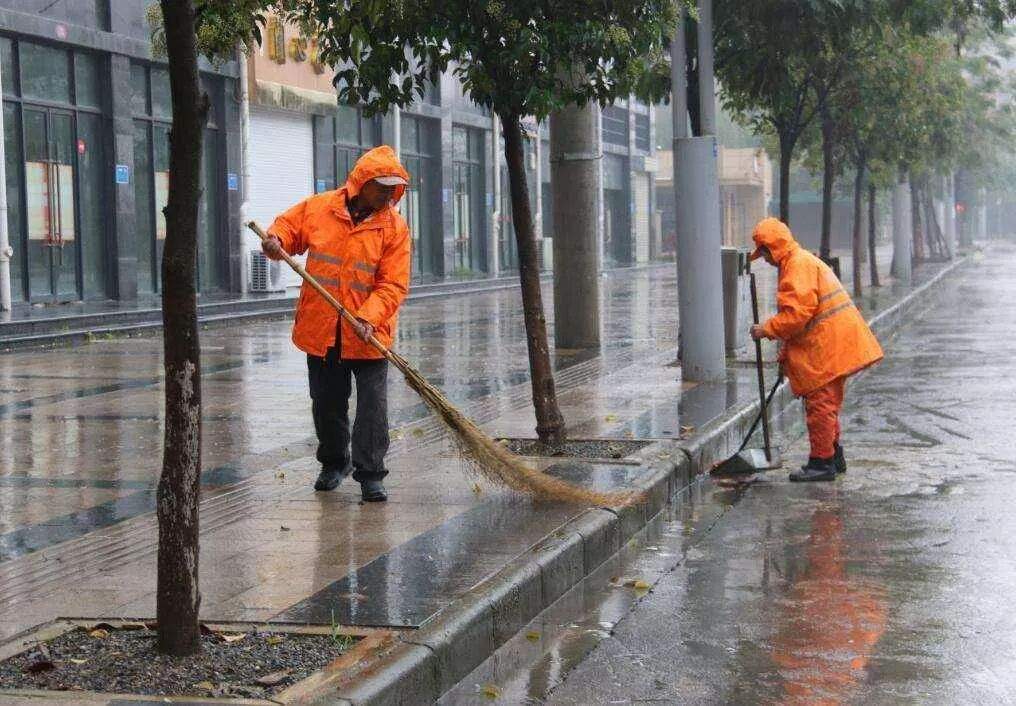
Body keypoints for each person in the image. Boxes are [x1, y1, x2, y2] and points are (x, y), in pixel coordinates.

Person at [262, 145, 411, 501]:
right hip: (323, 329)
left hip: (368, 333)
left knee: (373, 407)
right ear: (362, 182)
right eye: (382, 186)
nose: (389, 194)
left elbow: (393, 284)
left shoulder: (394, 228)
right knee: (327, 402)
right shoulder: (321, 208)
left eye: (394, 188)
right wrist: (276, 240)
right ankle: (333, 462)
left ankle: (371, 473)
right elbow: (289, 227)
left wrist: (369, 316)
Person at [749, 217, 883, 482]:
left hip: (828, 348)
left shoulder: (796, 266)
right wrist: (786, 352)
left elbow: (797, 315)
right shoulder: (800, 261)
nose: (763, 259)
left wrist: (766, 329)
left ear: (773, 248)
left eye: (764, 253)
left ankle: (821, 463)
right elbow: (806, 318)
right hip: (835, 345)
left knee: (820, 406)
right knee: (828, 404)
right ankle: (834, 456)